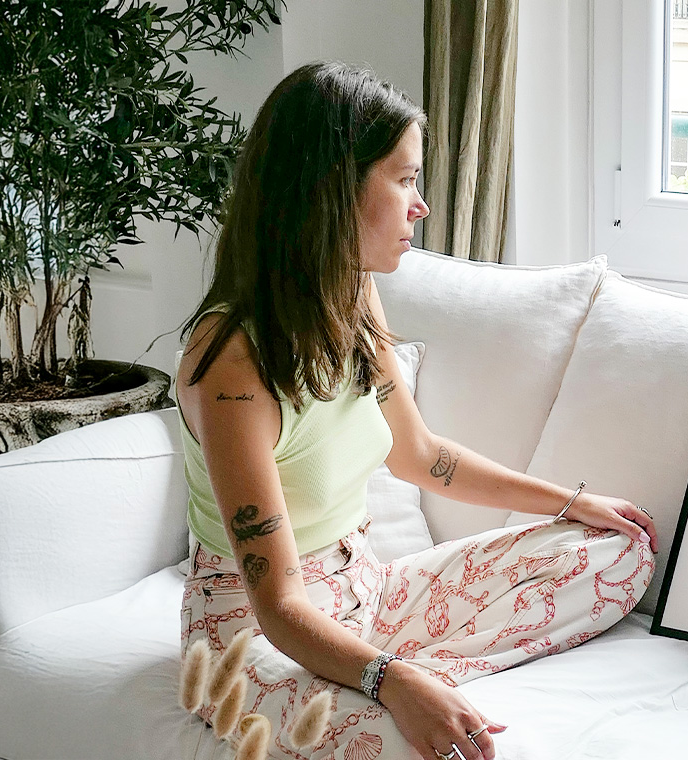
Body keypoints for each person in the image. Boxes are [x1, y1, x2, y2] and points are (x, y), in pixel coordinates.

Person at [173, 61, 658, 760]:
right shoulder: (230, 360)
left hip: (367, 588)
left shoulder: (352, 295)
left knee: (620, 550)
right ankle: (391, 678)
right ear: (333, 189)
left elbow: (421, 456)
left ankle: (394, 674)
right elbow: (279, 605)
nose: (421, 206)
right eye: (404, 179)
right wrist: (393, 681)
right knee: (417, 748)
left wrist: (570, 502)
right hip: (253, 633)